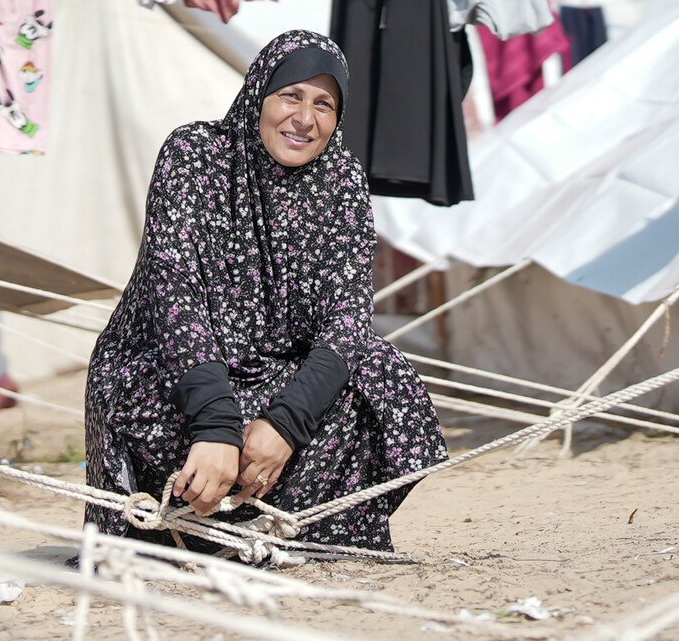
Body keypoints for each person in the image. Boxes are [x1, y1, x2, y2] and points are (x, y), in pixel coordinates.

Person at [84, 29, 447, 553]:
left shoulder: (340, 181)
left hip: (271, 390)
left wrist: (284, 424)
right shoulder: (196, 157)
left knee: (382, 372)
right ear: (258, 94)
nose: (306, 118)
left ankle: (280, 526)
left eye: (325, 104)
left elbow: (347, 322)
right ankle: (177, 528)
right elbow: (175, 297)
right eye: (291, 95)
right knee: (132, 389)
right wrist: (215, 426)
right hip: (174, 371)